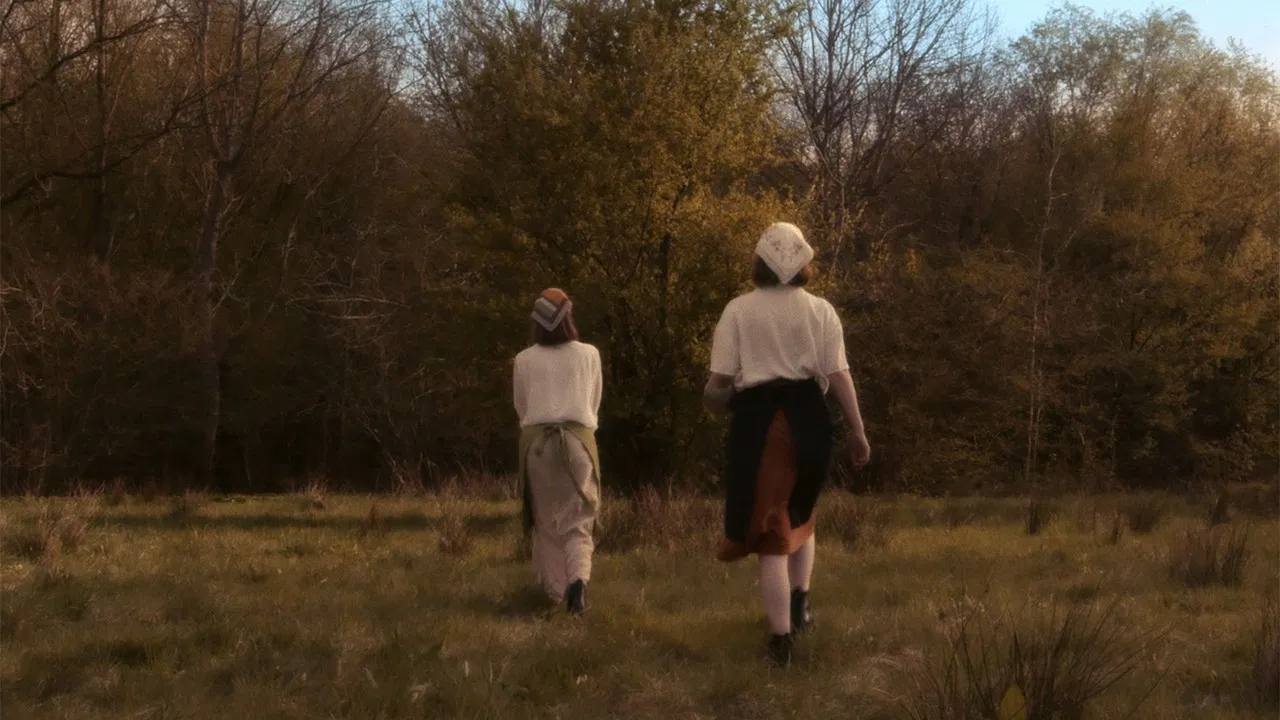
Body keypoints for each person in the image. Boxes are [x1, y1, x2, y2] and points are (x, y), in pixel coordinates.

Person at [703, 222, 871, 666]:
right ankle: (801, 606)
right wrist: (858, 431)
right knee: (801, 512)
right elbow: (838, 375)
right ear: (802, 261)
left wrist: (716, 398)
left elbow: (719, 382)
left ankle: (781, 644)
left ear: (760, 261)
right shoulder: (820, 310)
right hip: (811, 420)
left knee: (772, 533)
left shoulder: (738, 310)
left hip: (762, 423)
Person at [513, 288, 603, 615]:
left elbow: (521, 407)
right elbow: (594, 402)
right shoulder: (589, 354)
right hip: (578, 443)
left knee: (545, 521)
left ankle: (554, 592)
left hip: (537, 445)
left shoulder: (524, 359)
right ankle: (578, 587)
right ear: (568, 317)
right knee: (578, 520)